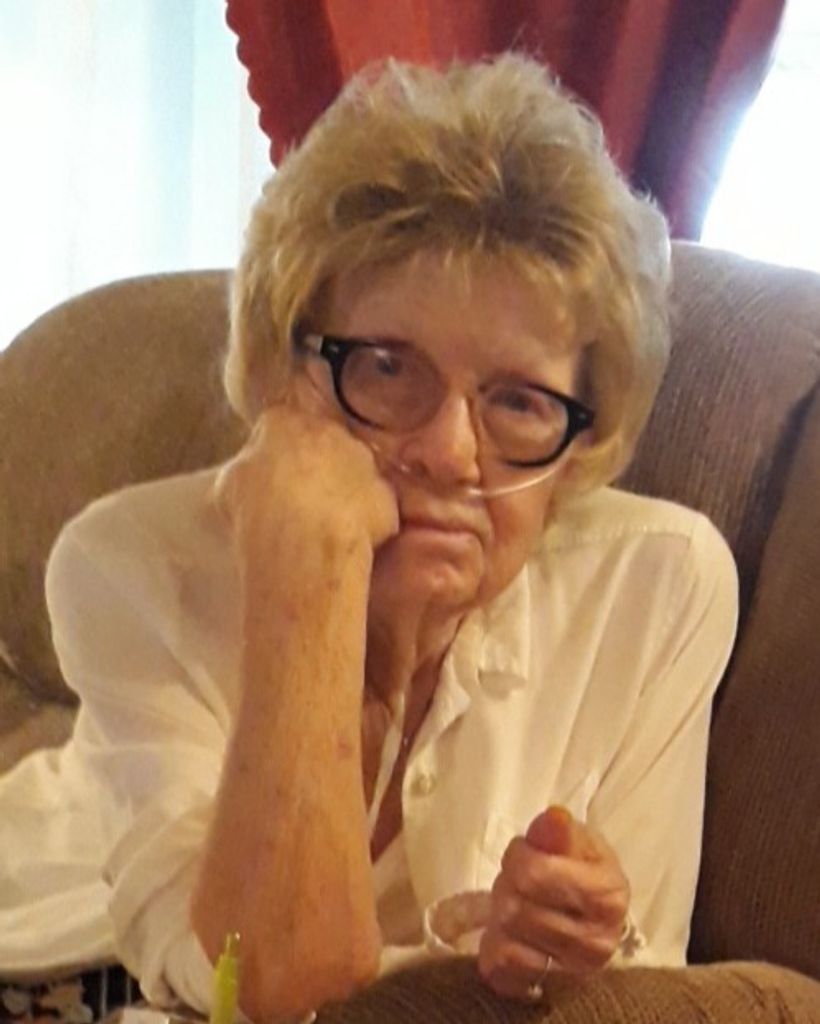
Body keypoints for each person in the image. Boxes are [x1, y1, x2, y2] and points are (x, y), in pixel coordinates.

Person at [0, 54, 737, 1024]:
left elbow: (644, 990)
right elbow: (260, 980)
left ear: (580, 440)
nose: (450, 452)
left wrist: (562, 950)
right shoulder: (131, 565)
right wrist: (311, 572)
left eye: (519, 401)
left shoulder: (660, 586)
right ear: (283, 373)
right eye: (387, 368)